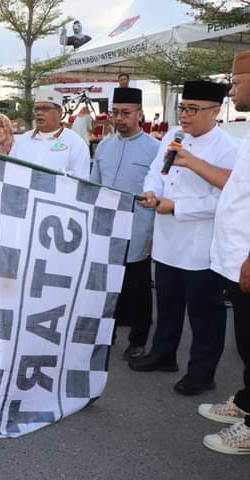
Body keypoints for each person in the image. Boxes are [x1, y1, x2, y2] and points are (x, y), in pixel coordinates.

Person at [163, 52, 250, 454]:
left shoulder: (227, 142)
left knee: (236, 334)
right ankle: (248, 402)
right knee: (247, 341)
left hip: (235, 254)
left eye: (236, 82)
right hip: (227, 254)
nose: (233, 90)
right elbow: (235, 188)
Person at [130, 80, 237, 397]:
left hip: (199, 245)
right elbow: (156, 172)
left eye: (193, 109)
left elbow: (225, 201)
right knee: (168, 303)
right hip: (166, 241)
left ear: (215, 112)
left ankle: (201, 373)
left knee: (204, 314)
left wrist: (178, 207)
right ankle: (163, 355)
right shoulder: (173, 136)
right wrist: (152, 192)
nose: (185, 116)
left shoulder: (227, 149)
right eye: (182, 108)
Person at [90, 87, 159, 361]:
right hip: (106, 228)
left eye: (126, 113)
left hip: (138, 228)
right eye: (115, 113)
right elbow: (93, 186)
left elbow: (161, 193)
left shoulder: (155, 149)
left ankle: (138, 338)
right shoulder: (104, 145)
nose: (119, 118)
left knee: (137, 287)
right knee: (106, 287)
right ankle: (106, 335)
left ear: (139, 114)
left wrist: (153, 233)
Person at [12, 87, 91, 179]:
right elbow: (11, 174)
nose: (39, 113)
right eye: (37, 109)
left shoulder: (75, 143)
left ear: (59, 112)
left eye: (45, 109)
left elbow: (80, 182)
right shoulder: (21, 141)